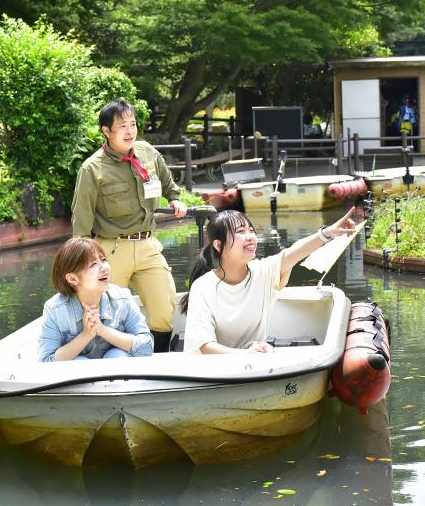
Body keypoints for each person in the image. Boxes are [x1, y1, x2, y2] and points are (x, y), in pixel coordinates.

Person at [71, 99, 187, 352]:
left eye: (133, 124)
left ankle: (157, 363)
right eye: (122, 126)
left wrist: (175, 198)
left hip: (148, 245)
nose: (130, 131)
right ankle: (113, 369)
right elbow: (81, 221)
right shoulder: (92, 168)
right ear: (106, 131)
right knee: (109, 313)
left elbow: (167, 183)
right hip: (111, 251)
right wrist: (84, 262)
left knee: (164, 306)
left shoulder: (148, 153)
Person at [182, 208, 356, 354]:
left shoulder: (262, 271)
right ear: (218, 245)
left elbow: (294, 252)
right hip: (212, 373)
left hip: (255, 364)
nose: (250, 236)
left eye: (251, 230)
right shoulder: (203, 287)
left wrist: (327, 233)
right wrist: (244, 355)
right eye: (241, 232)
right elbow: (205, 346)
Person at [38, 237, 153, 362]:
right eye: (93, 264)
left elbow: (147, 347)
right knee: (79, 362)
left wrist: (102, 330)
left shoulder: (122, 298)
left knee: (116, 356)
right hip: (78, 379)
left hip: (117, 377)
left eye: (103, 260)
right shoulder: (55, 310)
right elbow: (46, 362)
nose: (104, 268)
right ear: (72, 279)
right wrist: (86, 335)